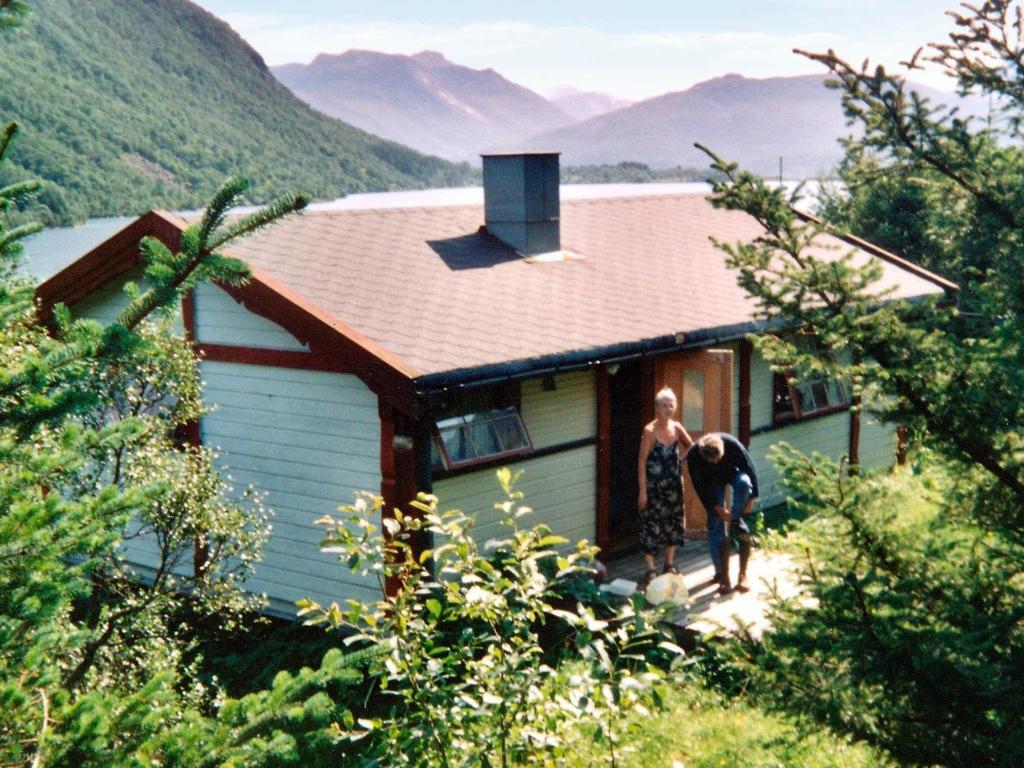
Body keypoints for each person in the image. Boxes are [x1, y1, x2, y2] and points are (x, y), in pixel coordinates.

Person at [685, 432, 759, 595]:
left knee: (745, 483)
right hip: (711, 484)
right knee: (715, 523)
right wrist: (717, 509)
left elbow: (749, 469)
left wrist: (751, 499)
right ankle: (722, 574)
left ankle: (742, 574)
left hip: (732, 474)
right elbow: (700, 489)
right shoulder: (693, 457)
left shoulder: (732, 444)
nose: (716, 463)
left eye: (718, 459)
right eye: (712, 461)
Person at [637, 387, 693, 583]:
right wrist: (643, 492)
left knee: (673, 524)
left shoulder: (677, 428)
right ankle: (651, 568)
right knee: (650, 526)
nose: (668, 409)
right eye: (664, 405)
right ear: (657, 408)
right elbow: (642, 462)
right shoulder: (649, 431)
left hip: (674, 488)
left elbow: (692, 447)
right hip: (653, 489)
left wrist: (681, 460)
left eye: (671, 405)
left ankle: (669, 564)